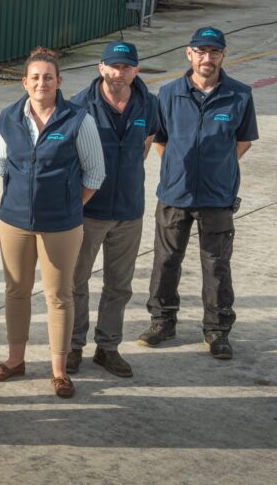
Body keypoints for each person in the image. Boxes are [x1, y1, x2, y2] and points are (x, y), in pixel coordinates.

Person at [0, 47, 105, 399]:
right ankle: (15, 360)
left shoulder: (78, 120)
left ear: (59, 81)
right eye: (35, 77)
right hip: (14, 222)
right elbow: (1, 166)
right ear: (25, 82)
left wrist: (69, 206)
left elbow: (95, 173)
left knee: (59, 295)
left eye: (48, 77)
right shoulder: (8, 118)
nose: (42, 83)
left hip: (61, 226)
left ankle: (58, 370)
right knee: (16, 291)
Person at [140, 27, 257, 360]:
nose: (208, 58)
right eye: (201, 52)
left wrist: (217, 169)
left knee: (216, 265)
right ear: (189, 54)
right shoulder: (168, 94)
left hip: (217, 198)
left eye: (214, 52)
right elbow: (160, 139)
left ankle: (217, 330)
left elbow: (243, 141)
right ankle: (162, 322)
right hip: (174, 194)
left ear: (223, 55)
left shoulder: (239, 95)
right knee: (165, 261)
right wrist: (179, 169)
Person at [67, 41, 161, 377]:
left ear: (136, 70)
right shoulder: (78, 106)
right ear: (101, 68)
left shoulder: (149, 104)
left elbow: (147, 143)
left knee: (119, 285)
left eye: (126, 67)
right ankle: (73, 345)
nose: (118, 73)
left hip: (129, 211)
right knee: (75, 281)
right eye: (113, 66)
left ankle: (107, 348)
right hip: (88, 211)